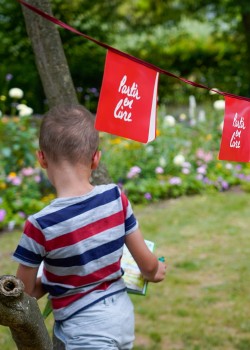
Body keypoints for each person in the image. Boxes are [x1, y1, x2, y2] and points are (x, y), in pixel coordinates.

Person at [13, 104, 166, 350]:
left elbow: (24, 294)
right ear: (96, 158)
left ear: (41, 158)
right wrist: (157, 269)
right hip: (122, 319)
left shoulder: (39, 225)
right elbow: (148, 268)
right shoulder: (116, 198)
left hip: (82, 332)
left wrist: (56, 279)